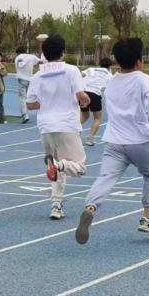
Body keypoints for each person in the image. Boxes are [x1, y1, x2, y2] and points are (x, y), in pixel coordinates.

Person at [74, 38, 149, 245]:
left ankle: (90, 208)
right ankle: (147, 218)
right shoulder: (143, 79)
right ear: (139, 61)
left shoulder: (112, 80)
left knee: (106, 177)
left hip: (113, 141)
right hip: (138, 140)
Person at [27, 35, 89, 221]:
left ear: (44, 53)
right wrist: (86, 101)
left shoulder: (37, 76)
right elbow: (81, 95)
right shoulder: (71, 70)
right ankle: (59, 165)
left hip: (46, 126)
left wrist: (47, 103)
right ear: (63, 51)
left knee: (55, 167)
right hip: (66, 124)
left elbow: (30, 104)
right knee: (79, 167)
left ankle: (56, 205)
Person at [82, 57, 113, 144]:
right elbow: (109, 89)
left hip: (83, 93)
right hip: (95, 94)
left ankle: (73, 133)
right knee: (98, 118)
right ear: (110, 66)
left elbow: (80, 74)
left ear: (100, 64)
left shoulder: (91, 69)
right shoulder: (109, 75)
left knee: (84, 116)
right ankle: (90, 139)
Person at [14, 44, 40, 124]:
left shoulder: (18, 58)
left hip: (22, 80)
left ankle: (25, 115)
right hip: (30, 80)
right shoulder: (32, 57)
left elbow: (19, 67)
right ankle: (40, 110)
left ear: (18, 52)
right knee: (30, 96)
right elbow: (40, 61)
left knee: (22, 98)